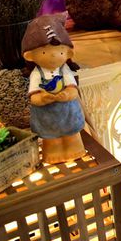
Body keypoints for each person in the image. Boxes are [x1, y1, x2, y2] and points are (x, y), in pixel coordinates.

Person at [22, 14, 86, 163]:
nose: (53, 56)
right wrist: (42, 98)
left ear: (68, 53)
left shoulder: (65, 70)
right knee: (51, 138)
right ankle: (53, 154)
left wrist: (67, 94)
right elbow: (33, 97)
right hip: (47, 116)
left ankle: (75, 149)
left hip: (68, 112)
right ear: (30, 55)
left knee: (72, 135)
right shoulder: (37, 74)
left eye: (60, 52)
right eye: (44, 52)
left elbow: (73, 89)